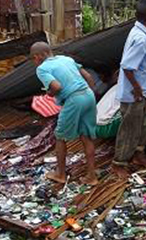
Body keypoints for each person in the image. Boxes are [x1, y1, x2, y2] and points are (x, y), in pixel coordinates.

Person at [30, 42, 99, 186]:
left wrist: (49, 93)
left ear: (37, 57)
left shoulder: (42, 69)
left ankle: (60, 174)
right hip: (88, 95)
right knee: (86, 137)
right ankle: (91, 176)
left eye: (33, 59)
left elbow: (56, 86)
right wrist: (89, 94)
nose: (34, 63)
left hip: (73, 100)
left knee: (60, 136)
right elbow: (89, 77)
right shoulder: (66, 59)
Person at [113, 0, 146, 176]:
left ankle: (138, 154)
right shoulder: (141, 38)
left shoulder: (139, 32)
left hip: (142, 91)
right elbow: (127, 66)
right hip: (135, 94)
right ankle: (119, 163)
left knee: (143, 125)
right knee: (129, 129)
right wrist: (138, 89)